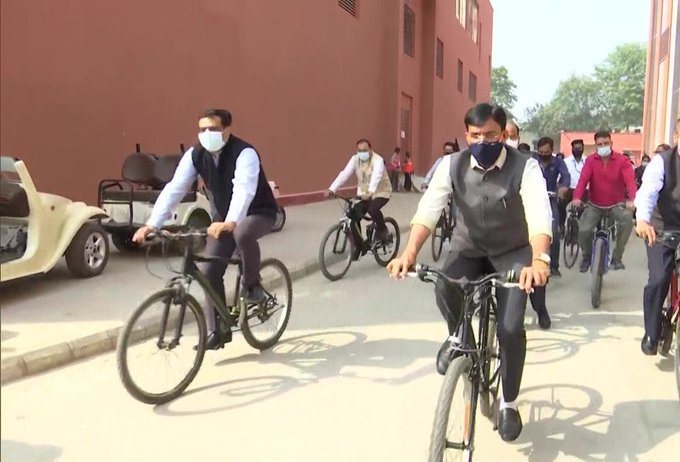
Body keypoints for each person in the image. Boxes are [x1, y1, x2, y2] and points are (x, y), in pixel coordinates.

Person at [388, 103, 552, 442]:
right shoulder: (452, 165)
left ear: (504, 135)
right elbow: (429, 210)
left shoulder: (526, 167)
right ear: (466, 136)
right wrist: (408, 253)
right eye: (475, 136)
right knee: (443, 284)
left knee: (509, 329)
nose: (483, 141)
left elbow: (539, 213)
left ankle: (508, 402)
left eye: (491, 135)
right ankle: (458, 337)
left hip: (512, 253)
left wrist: (539, 261)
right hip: (469, 248)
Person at [132, 108, 278, 350]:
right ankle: (217, 331)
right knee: (209, 271)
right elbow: (175, 188)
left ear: (227, 130)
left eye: (214, 129)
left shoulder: (245, 153)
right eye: (202, 129)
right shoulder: (195, 155)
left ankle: (252, 286)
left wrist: (231, 221)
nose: (207, 134)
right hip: (222, 219)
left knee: (243, 233)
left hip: (258, 212)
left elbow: (244, 189)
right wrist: (152, 224)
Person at [634, 119, 680, 356]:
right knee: (659, 278)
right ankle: (652, 332)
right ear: (676, 133)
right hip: (661, 230)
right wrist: (642, 220)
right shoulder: (661, 163)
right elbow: (647, 194)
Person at [573, 130, 636, 272]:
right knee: (584, 230)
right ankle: (587, 256)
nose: (603, 146)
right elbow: (582, 181)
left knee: (627, 221)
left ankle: (617, 258)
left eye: (606, 143)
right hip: (595, 205)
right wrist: (576, 197)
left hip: (616, 205)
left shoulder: (622, 161)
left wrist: (632, 199)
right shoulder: (590, 161)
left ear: (611, 143)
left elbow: (630, 182)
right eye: (600, 144)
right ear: (596, 146)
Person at [325, 138, 392, 246]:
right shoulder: (355, 159)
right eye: (359, 150)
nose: (362, 153)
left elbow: (376, 175)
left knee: (372, 209)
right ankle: (359, 246)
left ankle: (382, 230)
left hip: (381, 192)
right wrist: (332, 189)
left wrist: (371, 192)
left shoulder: (377, 160)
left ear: (370, 149)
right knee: (353, 215)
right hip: (364, 194)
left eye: (364, 150)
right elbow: (345, 174)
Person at [534, 137, 571, 277]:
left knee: (553, 234)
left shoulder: (558, 162)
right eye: (541, 151)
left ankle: (554, 266)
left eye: (547, 151)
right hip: (534, 199)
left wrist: (563, 187)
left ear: (552, 150)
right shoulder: (532, 161)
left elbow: (566, 176)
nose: (544, 154)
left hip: (551, 200)